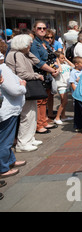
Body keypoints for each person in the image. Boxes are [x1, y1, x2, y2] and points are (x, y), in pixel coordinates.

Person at [5, 35, 44, 152]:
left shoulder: (21, 54)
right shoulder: (17, 55)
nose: (30, 46)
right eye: (29, 44)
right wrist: (36, 75)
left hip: (25, 87)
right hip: (23, 87)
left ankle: (30, 138)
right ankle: (23, 142)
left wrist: (28, 51)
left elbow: (37, 61)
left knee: (32, 114)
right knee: (27, 115)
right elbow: (22, 74)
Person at [0, 51, 28, 179]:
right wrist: (22, 87)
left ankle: (10, 161)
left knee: (7, 139)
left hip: (9, 109)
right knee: (5, 140)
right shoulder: (3, 69)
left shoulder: (3, 68)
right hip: (7, 110)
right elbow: (14, 89)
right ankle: (3, 167)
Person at [30, 21, 60, 134]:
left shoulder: (45, 43)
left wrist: (56, 67)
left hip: (47, 75)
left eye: (44, 28)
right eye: (39, 28)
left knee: (45, 99)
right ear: (34, 29)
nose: (42, 30)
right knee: (39, 101)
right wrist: (52, 70)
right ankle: (39, 125)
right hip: (40, 75)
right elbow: (37, 62)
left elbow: (52, 57)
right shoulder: (33, 44)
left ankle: (44, 121)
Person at [53, 52, 74, 125]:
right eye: (62, 58)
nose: (63, 59)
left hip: (67, 85)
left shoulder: (66, 65)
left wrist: (66, 60)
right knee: (64, 101)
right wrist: (57, 61)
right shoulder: (56, 65)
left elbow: (73, 66)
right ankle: (57, 117)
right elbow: (60, 70)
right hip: (61, 85)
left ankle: (63, 116)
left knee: (64, 102)